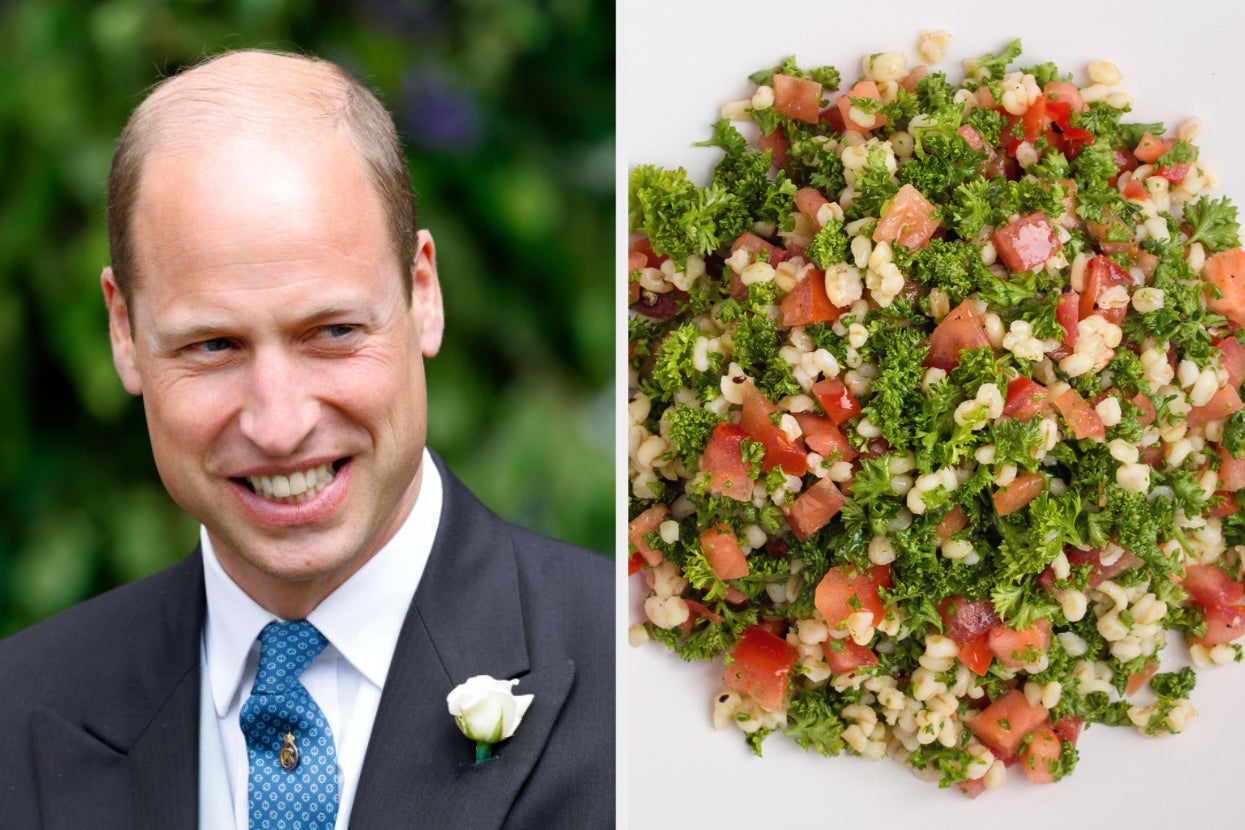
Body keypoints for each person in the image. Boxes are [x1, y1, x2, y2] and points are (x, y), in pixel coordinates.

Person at [0, 49, 614, 829]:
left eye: (330, 332)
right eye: (212, 346)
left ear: (422, 292)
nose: (280, 423)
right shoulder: (17, 717)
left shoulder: (641, 679)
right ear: (123, 331)